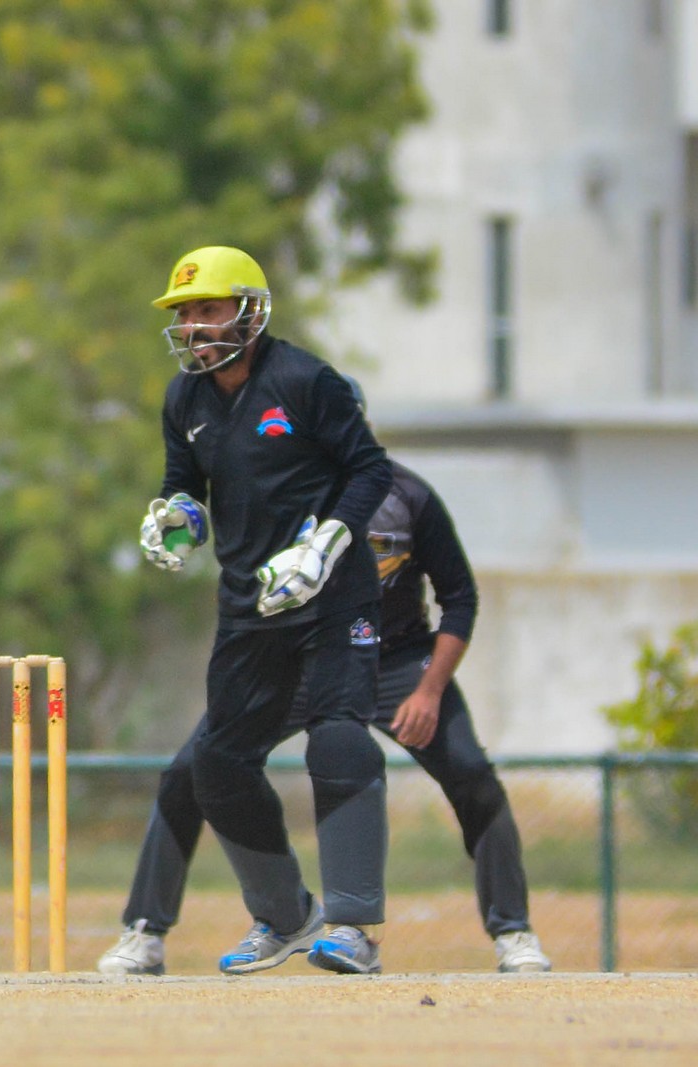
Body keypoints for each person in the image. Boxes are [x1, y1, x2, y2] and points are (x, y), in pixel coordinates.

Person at [101, 378, 552, 977]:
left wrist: (429, 691)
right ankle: (146, 931)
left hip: (394, 663)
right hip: (299, 660)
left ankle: (513, 931)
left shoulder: (408, 497)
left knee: (471, 775)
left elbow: (460, 598)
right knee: (193, 770)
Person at [135, 246, 394, 975]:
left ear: (250, 311)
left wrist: (326, 544)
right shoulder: (184, 399)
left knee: (338, 740)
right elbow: (185, 483)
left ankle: (353, 928)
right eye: (185, 313)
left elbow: (369, 468)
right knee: (217, 763)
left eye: (208, 309)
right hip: (251, 605)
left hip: (333, 596)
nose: (194, 325)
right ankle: (284, 915)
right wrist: (176, 516)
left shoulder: (305, 381)